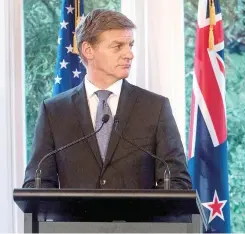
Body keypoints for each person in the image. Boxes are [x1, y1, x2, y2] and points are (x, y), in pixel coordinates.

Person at [23, 9, 192, 189]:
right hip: (75, 218)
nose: (129, 54)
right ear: (88, 50)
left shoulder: (155, 108)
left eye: (130, 45)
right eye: (118, 46)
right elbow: (37, 182)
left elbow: (177, 181)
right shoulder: (54, 112)